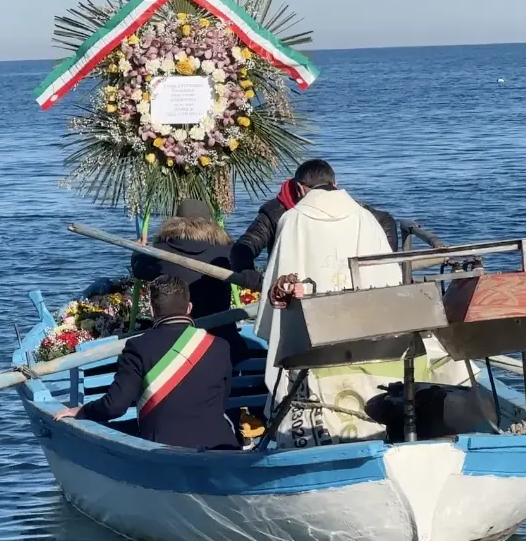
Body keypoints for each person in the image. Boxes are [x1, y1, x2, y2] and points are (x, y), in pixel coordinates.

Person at [254, 159, 406, 449]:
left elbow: (279, 286)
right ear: (334, 183)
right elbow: (388, 276)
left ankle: (311, 435)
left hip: (312, 334)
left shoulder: (294, 220)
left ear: (299, 188)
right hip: (363, 328)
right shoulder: (365, 218)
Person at [55, 275, 239, 450]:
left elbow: (115, 406)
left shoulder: (138, 347)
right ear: (189, 307)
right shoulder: (220, 346)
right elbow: (221, 400)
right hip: (222, 446)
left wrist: (83, 411)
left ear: (151, 310)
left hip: (164, 449)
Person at [230, 161, 399, 291]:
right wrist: (253, 277)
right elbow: (246, 245)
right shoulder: (277, 212)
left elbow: (383, 219)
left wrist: (384, 257)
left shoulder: (347, 206)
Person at [131, 199, 248, 364]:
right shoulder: (227, 250)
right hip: (222, 339)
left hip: (174, 345)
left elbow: (139, 269)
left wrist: (137, 252)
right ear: (210, 222)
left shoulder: (160, 251)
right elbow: (244, 270)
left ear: (175, 221)